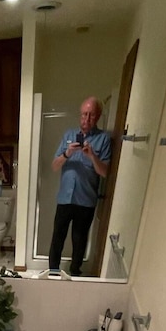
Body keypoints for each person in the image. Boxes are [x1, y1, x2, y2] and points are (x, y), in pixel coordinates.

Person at [48, 97, 111, 275]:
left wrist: (91, 156)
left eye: (91, 115)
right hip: (65, 198)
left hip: (86, 200)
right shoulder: (68, 135)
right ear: (80, 115)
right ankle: (52, 272)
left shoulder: (103, 139)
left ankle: (75, 272)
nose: (87, 118)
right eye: (84, 114)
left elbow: (105, 172)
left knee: (79, 240)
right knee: (57, 237)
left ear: (98, 116)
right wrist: (67, 153)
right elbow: (54, 166)